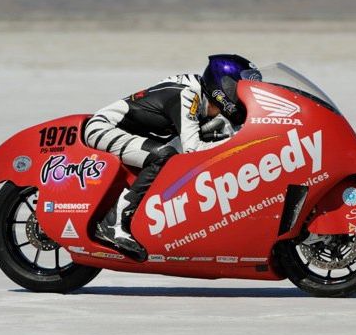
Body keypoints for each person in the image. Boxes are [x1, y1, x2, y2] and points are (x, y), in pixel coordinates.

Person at [84, 54, 261, 261]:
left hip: (135, 134)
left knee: (177, 152)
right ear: (222, 86)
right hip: (103, 129)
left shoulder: (200, 95)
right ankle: (112, 225)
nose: (242, 96)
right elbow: (192, 150)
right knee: (163, 156)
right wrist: (238, 144)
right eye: (238, 88)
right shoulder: (188, 95)